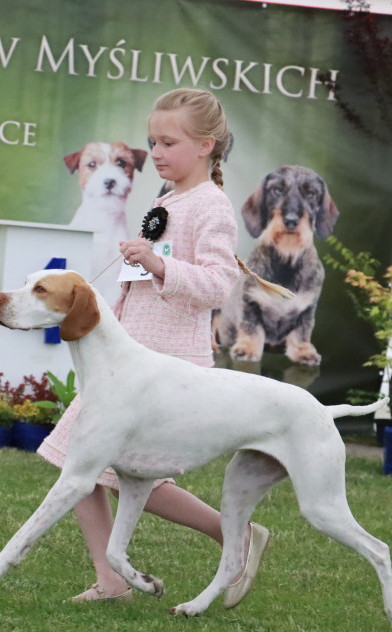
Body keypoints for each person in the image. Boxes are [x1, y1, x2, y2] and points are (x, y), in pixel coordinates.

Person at [37, 88, 270, 604]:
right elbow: (141, 279)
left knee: (121, 471)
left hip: (169, 364)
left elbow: (217, 284)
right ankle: (110, 580)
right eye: (152, 142)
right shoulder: (166, 200)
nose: (157, 153)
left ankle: (232, 533)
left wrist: (160, 263)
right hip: (128, 361)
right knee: (81, 462)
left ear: (206, 145)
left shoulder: (211, 206)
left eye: (169, 142)